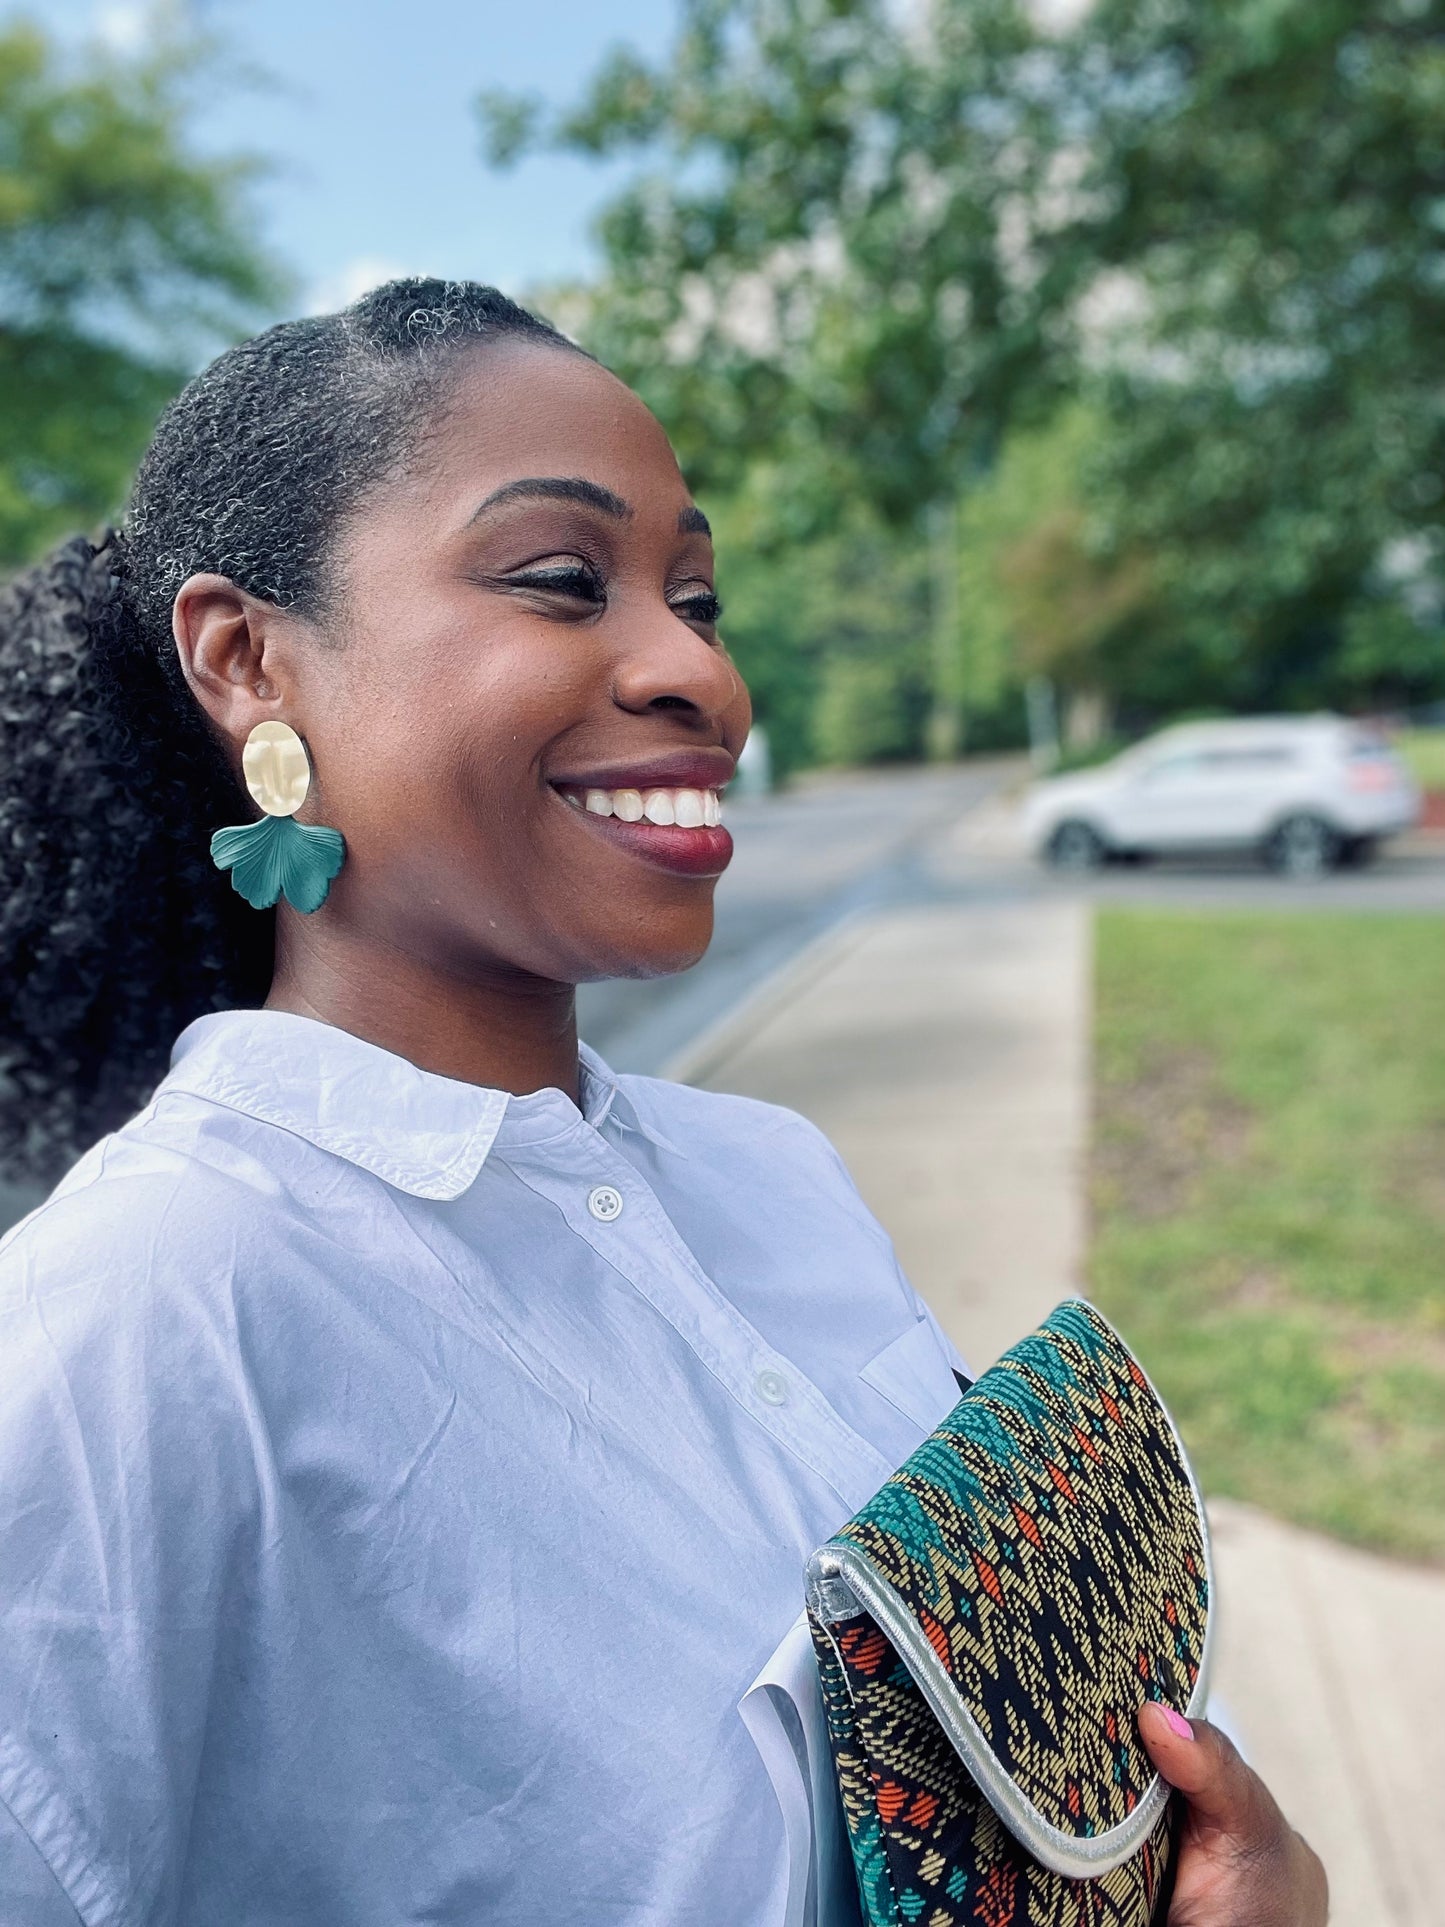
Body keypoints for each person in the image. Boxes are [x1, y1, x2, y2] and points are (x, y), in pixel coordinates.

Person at [0, 279, 1325, 1925]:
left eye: (696, 597)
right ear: (248, 658)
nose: (699, 671)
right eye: (563, 580)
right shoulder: (129, 1328)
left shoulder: (767, 1168)